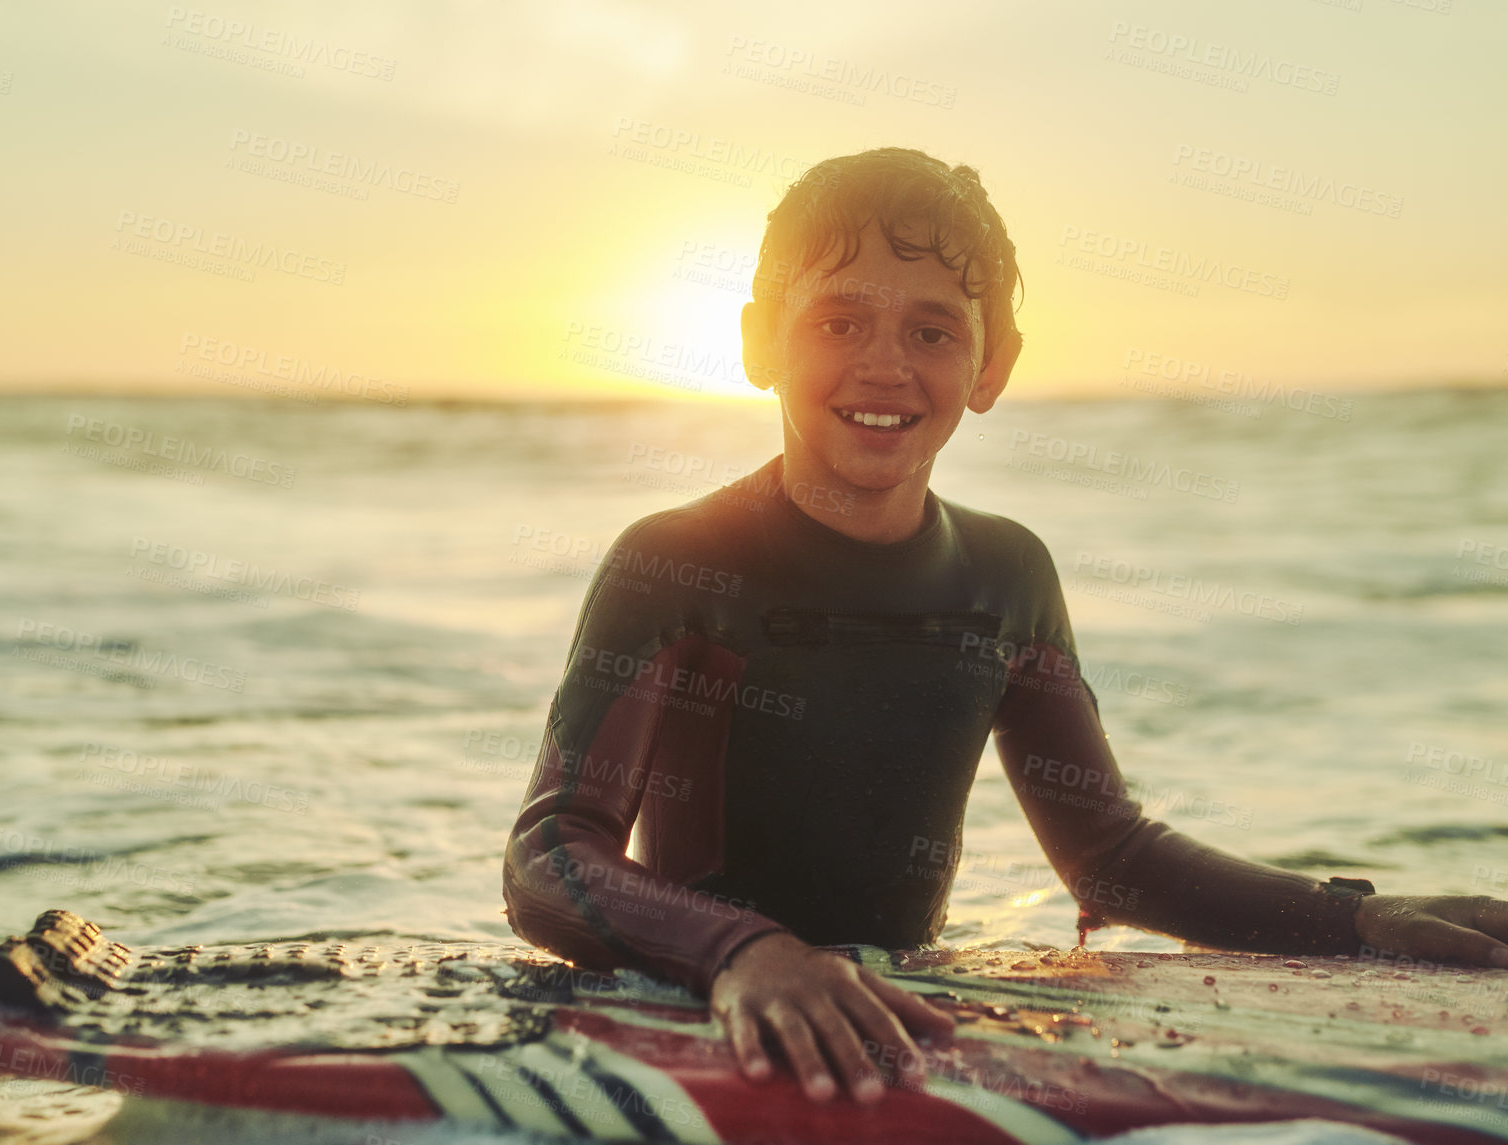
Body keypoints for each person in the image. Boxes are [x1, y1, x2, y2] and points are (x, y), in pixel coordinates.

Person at [501, 147, 1508, 1107]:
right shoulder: (674, 564)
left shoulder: (1004, 575)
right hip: (689, 1001)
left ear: (994, 364)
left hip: (902, 998)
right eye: (839, 322)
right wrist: (740, 952)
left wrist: (1355, 918)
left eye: (932, 331)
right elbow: (550, 853)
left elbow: (1109, 855)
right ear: (760, 338)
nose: (884, 366)